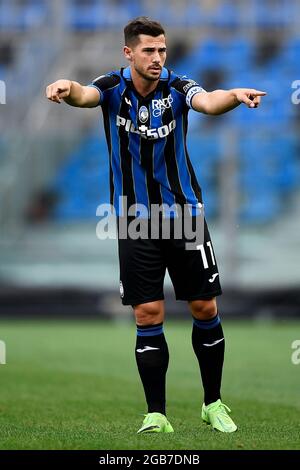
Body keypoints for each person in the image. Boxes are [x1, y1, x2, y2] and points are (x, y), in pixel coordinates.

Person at [46, 17, 266, 434]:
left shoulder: (178, 86)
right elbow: (85, 94)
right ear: (128, 53)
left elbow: (207, 101)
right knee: (147, 313)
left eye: (162, 49)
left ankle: (213, 403)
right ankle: (156, 413)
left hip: (184, 214)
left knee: (204, 307)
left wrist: (234, 96)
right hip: (134, 218)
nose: (157, 57)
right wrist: (64, 85)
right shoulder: (112, 87)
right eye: (149, 50)